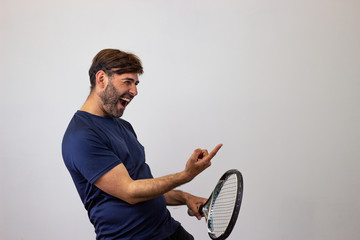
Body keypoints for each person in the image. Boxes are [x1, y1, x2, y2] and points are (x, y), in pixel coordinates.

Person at [62, 49, 222, 240]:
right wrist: (185, 175)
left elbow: (143, 186)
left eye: (136, 84)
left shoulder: (123, 126)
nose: (135, 91)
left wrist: (184, 197)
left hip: (168, 230)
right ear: (102, 79)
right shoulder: (81, 136)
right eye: (127, 81)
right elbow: (130, 191)